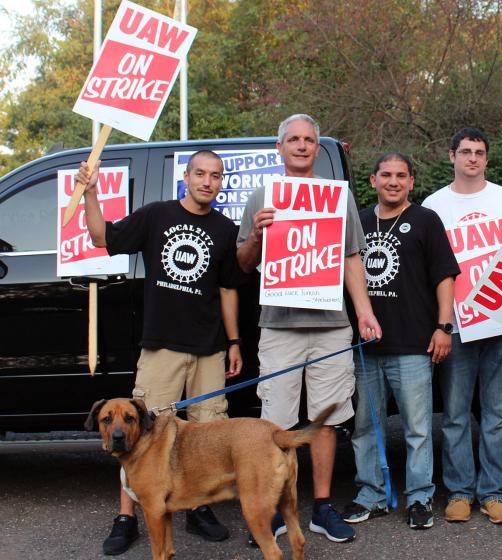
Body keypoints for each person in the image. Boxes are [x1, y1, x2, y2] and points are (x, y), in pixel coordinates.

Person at [78, 150, 245, 555]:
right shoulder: (156, 216)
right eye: (200, 174)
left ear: (222, 182)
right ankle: (127, 517)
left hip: (208, 349)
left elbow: (227, 289)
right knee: (138, 435)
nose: (207, 181)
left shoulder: (225, 229)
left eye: (216, 176)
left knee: (207, 433)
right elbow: (102, 237)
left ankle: (198, 509)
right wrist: (90, 192)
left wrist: (234, 341)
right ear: (186, 177)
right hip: (161, 346)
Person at [237, 114, 382, 544]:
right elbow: (244, 264)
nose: (301, 146)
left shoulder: (338, 198)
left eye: (309, 140)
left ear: (318, 149)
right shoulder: (264, 195)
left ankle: (321, 508)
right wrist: (258, 236)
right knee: (276, 425)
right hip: (279, 326)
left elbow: (352, 258)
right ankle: (279, 511)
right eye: (293, 140)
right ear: (280, 148)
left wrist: (365, 312)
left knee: (327, 419)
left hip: (330, 325)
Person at [422, 127, 502, 524]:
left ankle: (493, 492)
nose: (472, 158)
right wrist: (438, 323)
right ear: (451, 155)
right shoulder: (434, 205)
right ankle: (458, 491)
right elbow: (427, 269)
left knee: (499, 412)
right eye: (466, 151)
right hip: (456, 325)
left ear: (487, 159)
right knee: (454, 413)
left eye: (479, 152)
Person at [340, 153, 460, 530]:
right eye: (386, 175)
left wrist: (444, 326)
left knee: (418, 427)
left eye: (401, 176)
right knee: (364, 427)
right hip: (365, 346)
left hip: (413, 344)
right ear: (373, 180)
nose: (393, 181)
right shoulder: (356, 220)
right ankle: (371, 495)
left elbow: (445, 276)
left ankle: (420, 497)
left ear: (411, 182)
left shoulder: (425, 220)